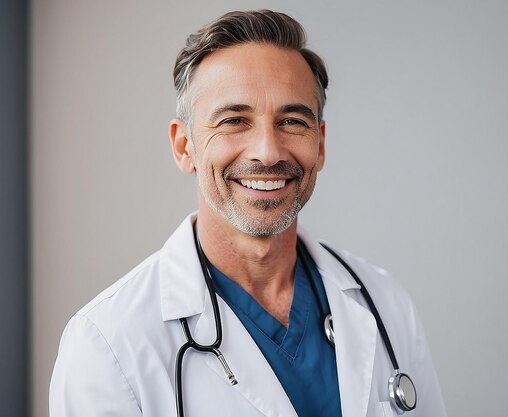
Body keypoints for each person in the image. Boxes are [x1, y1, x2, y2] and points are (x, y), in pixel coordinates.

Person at [49, 9, 447, 417]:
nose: (268, 151)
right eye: (235, 120)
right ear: (185, 146)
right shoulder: (107, 346)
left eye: (292, 121)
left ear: (321, 144)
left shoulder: (385, 304)